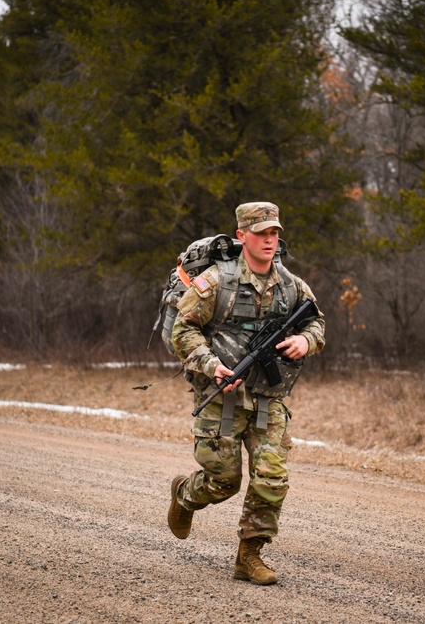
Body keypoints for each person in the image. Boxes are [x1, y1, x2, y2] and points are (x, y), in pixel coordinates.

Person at [166, 201, 326, 585]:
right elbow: (183, 331)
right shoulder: (215, 283)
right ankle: (185, 495)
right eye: (261, 234)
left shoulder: (291, 286)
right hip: (222, 397)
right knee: (223, 481)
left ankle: (249, 556)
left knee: (272, 479)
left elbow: (317, 322)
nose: (269, 241)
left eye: (274, 234)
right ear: (242, 236)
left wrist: (306, 341)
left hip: (268, 399)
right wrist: (211, 365)